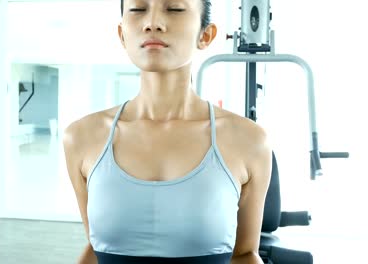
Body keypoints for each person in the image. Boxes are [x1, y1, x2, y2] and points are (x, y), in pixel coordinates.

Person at [63, 0, 272, 263]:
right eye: (138, 10)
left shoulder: (250, 141)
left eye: (174, 9)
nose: (152, 23)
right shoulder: (81, 138)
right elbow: (96, 248)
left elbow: (244, 255)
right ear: (122, 34)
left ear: (205, 35)